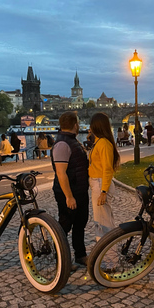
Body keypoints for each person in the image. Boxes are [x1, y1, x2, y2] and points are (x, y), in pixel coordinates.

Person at [51, 111, 89, 267]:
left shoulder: (72, 141)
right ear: (75, 125)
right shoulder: (62, 144)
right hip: (69, 192)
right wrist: (69, 196)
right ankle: (61, 259)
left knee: (80, 224)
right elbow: (61, 173)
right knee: (65, 226)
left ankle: (80, 255)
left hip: (79, 190)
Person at [89, 112, 120, 242]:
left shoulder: (104, 144)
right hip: (97, 183)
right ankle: (104, 253)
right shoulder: (98, 142)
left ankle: (109, 257)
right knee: (101, 221)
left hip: (100, 184)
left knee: (104, 223)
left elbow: (107, 169)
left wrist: (103, 191)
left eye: (91, 125)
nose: (89, 128)